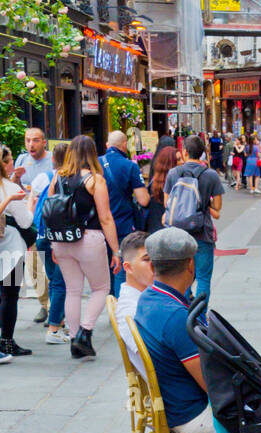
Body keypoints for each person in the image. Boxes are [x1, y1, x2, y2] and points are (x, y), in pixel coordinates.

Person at [134, 228, 216, 433]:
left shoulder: (148, 299)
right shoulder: (176, 316)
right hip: (194, 415)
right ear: (191, 264)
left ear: (152, 266)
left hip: (175, 407)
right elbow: (211, 385)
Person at [49, 134, 121, 360]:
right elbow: (106, 217)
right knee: (101, 288)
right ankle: (84, 332)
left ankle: (73, 339)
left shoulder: (57, 178)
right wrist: (116, 250)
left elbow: (51, 212)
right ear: (92, 153)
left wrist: (53, 244)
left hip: (62, 240)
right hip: (89, 238)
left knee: (73, 290)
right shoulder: (94, 180)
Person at [162, 134, 223, 307]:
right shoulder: (210, 175)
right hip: (202, 231)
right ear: (202, 153)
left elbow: (167, 203)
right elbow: (217, 207)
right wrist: (205, 203)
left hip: (178, 233)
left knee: (182, 277)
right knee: (203, 277)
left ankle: (185, 313)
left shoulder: (173, 173)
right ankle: (201, 316)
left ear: (185, 152)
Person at [100, 130, 150, 295]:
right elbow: (143, 200)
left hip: (99, 227)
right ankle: (120, 313)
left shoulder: (96, 164)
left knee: (104, 274)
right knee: (120, 271)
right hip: (123, 225)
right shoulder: (130, 166)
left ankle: (109, 306)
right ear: (124, 145)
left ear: (108, 145)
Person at [30, 142, 69, 344]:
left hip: (42, 234)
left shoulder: (41, 179)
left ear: (53, 159)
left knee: (54, 279)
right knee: (59, 282)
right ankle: (55, 325)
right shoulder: (69, 178)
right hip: (60, 236)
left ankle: (59, 321)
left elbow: (32, 204)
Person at [14, 127, 54, 324]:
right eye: (28, 140)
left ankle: (55, 306)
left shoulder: (52, 160)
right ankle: (45, 304)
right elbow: (15, 190)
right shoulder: (22, 160)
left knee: (52, 264)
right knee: (33, 265)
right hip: (28, 222)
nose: (31, 144)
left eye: (35, 140)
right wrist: (16, 178)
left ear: (44, 142)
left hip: (49, 220)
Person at [0, 146, 35, 360]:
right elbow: (26, 221)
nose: (13, 163)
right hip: (11, 246)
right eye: (10, 160)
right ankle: (7, 341)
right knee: (10, 295)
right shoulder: (10, 189)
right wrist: (29, 201)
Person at [115, 229, 154, 375]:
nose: (154, 265)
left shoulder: (142, 297)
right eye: (146, 259)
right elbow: (153, 360)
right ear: (128, 267)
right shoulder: (131, 309)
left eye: (155, 259)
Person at [145, 146, 177, 235]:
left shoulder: (153, 184)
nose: (182, 162)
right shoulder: (174, 185)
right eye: (178, 159)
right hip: (169, 232)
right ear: (171, 164)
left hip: (153, 231)